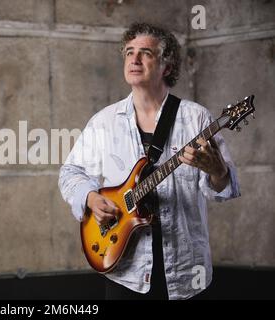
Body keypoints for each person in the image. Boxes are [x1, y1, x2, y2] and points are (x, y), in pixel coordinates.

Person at [58, 22, 240, 300]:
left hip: (184, 272)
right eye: (129, 52)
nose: (134, 58)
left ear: (166, 66)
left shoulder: (196, 119)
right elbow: (71, 173)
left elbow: (222, 189)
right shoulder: (104, 122)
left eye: (146, 52)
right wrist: (91, 198)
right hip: (125, 271)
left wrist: (218, 171)